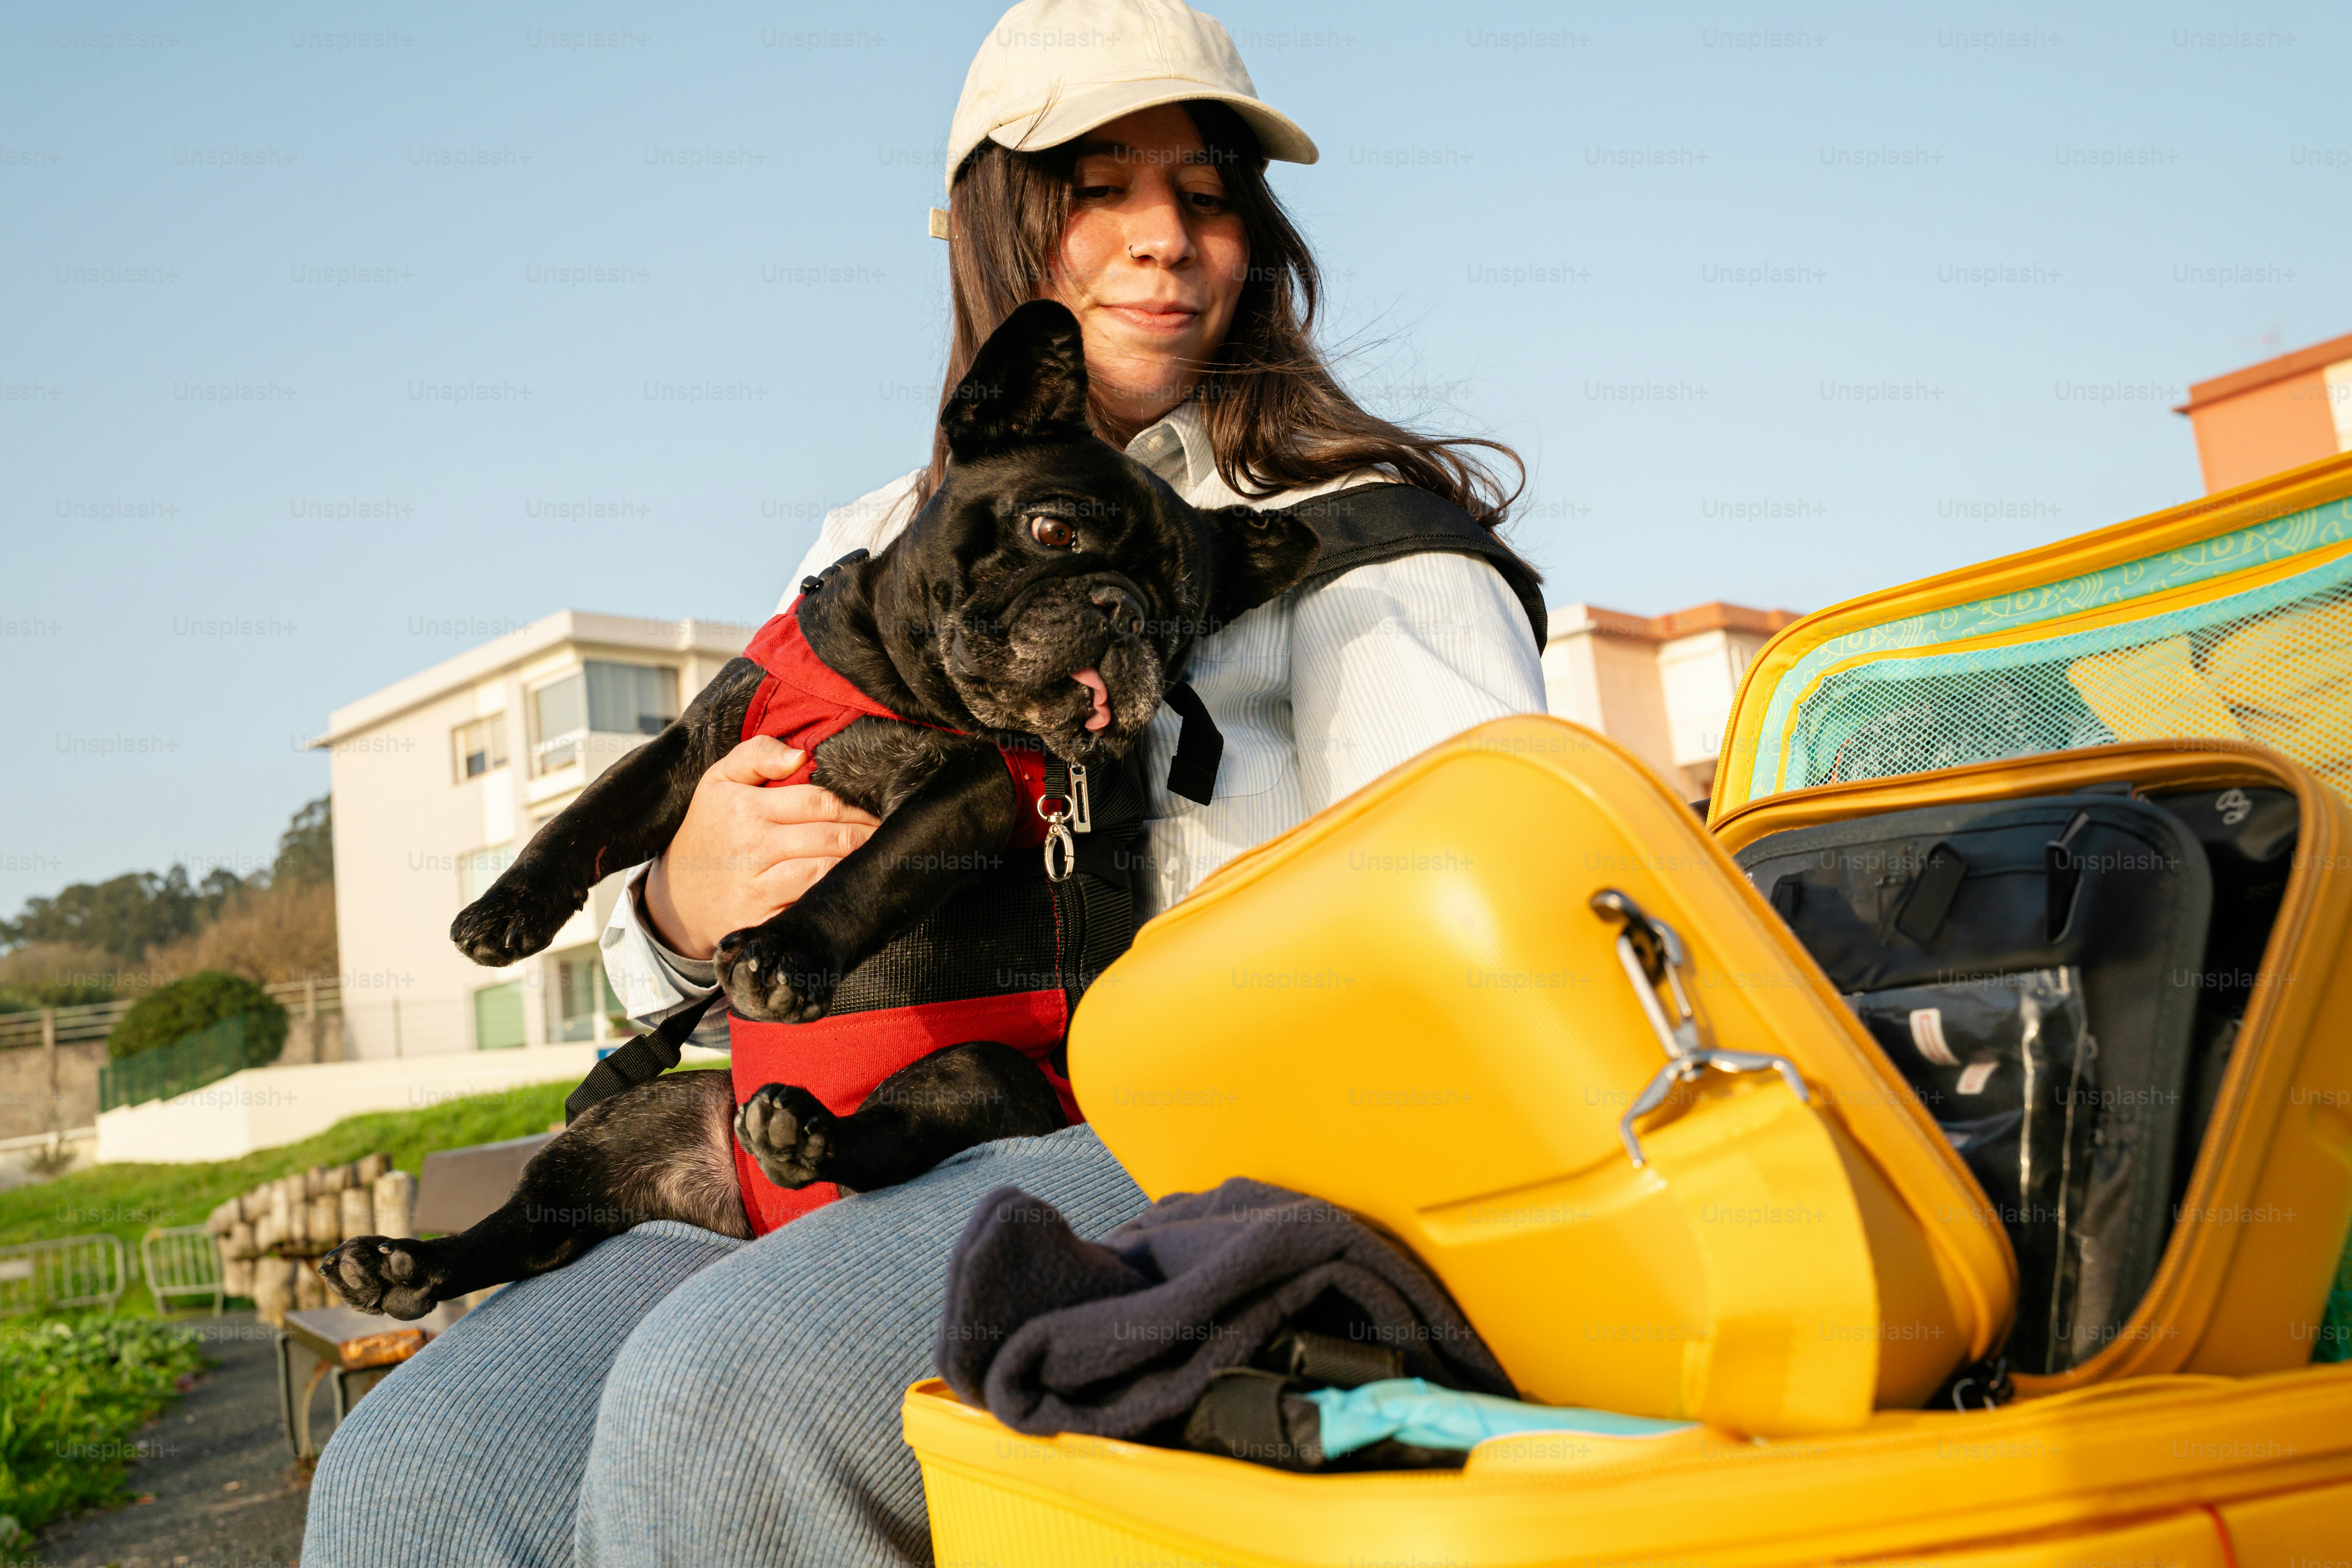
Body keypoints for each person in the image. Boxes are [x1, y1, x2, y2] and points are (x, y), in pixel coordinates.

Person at [305, 3, 1546, 1563]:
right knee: (416, 1466)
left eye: (1209, 191)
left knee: (723, 1397)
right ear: (987, 228)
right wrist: (684, 898)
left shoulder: (1350, 542)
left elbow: (1486, 953)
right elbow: (693, 983)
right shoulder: (865, 541)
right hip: (811, 1131)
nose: (1164, 238)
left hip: (1172, 1132)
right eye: (1098, 184)